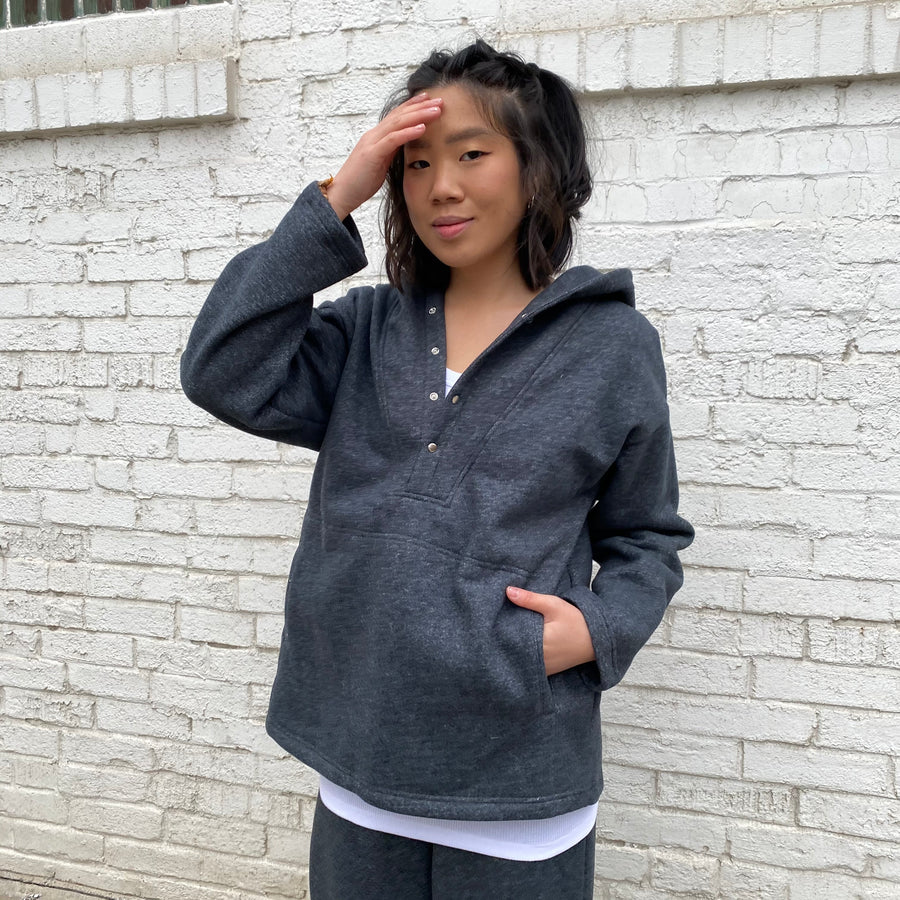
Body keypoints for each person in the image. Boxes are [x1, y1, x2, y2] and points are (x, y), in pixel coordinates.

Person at [180, 39, 693, 900]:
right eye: (414, 164)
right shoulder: (365, 332)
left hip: (519, 782)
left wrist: (596, 629)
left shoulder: (612, 347)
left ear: (540, 168)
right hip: (358, 766)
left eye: (471, 154)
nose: (440, 186)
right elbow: (221, 370)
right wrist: (337, 196)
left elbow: (648, 533)